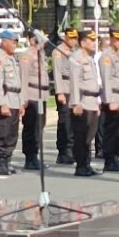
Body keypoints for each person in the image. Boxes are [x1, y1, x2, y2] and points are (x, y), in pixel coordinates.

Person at [0, 30, 25, 175]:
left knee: (12, 134)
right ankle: (1, 163)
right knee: (3, 133)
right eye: (12, 41)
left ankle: (8, 161)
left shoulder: (13, 59)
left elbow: (19, 83)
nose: (15, 44)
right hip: (5, 99)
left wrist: (21, 103)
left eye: (16, 42)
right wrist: (2, 103)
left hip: (15, 99)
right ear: (4, 41)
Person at [99, 27, 119, 172]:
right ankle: (109, 160)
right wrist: (109, 100)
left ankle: (115, 158)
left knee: (118, 131)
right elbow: (106, 80)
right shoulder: (107, 56)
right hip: (112, 97)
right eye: (117, 39)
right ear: (111, 39)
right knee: (111, 131)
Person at [70, 29, 101, 176]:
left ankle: (86, 164)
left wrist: (98, 102)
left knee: (90, 135)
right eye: (91, 40)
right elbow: (75, 83)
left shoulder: (90, 58)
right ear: (82, 42)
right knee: (81, 135)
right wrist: (76, 103)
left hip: (92, 101)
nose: (95, 43)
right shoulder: (77, 58)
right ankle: (81, 165)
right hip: (83, 102)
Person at [19, 30, 50, 170]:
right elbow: (24, 78)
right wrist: (24, 99)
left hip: (41, 95)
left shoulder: (41, 55)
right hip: (31, 95)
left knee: (39, 127)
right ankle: (29, 157)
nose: (44, 42)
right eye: (41, 39)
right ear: (32, 40)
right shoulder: (27, 56)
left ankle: (35, 155)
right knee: (31, 127)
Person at [53, 27, 79, 164]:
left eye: (75, 38)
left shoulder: (74, 52)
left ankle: (71, 149)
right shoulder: (58, 50)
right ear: (65, 37)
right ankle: (63, 151)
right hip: (64, 87)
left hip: (73, 89)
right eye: (71, 38)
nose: (73, 41)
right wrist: (59, 92)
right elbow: (57, 72)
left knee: (73, 122)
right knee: (65, 121)